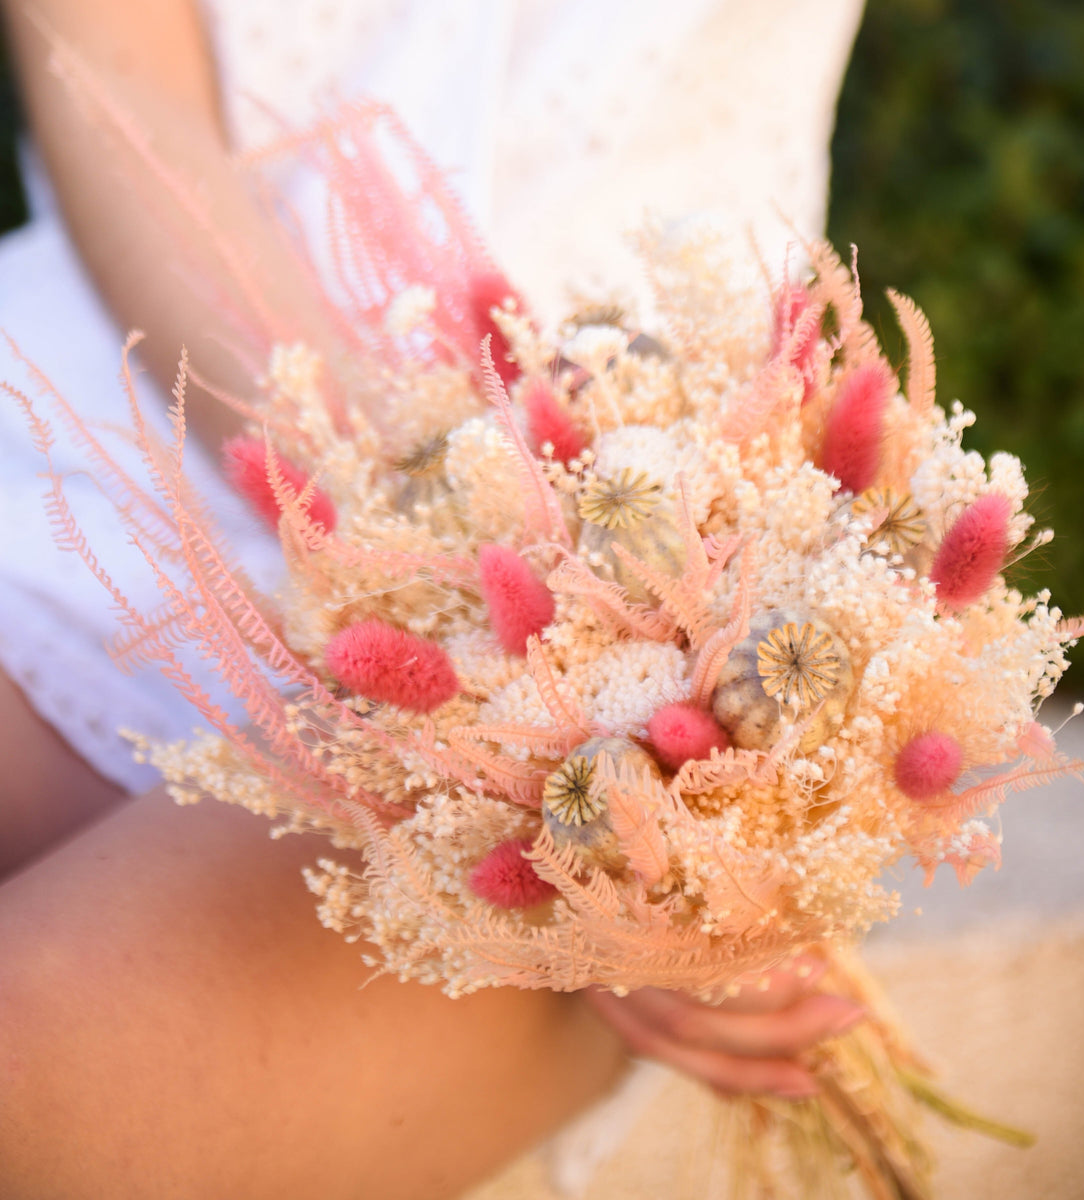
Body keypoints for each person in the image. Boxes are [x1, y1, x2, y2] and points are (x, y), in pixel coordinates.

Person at [0, 1, 867, 1195]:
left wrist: (625, 712)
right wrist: (436, 529)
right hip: (87, 437)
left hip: (617, 559)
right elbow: (110, 64)